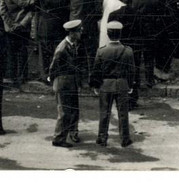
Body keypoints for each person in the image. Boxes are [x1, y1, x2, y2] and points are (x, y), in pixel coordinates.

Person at [90, 21, 135, 148]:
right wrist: (130, 85)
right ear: (120, 34)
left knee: (104, 113)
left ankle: (102, 138)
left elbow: (96, 70)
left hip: (105, 85)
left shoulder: (101, 51)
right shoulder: (128, 51)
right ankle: (125, 139)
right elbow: (131, 71)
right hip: (122, 85)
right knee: (123, 113)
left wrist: (96, 86)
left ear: (108, 34)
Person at [49, 19, 83, 147]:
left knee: (74, 109)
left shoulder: (73, 44)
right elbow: (53, 68)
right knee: (64, 112)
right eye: (79, 31)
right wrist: (54, 80)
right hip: (63, 83)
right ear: (72, 33)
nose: (81, 33)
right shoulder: (62, 48)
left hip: (71, 82)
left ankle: (73, 132)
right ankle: (58, 139)